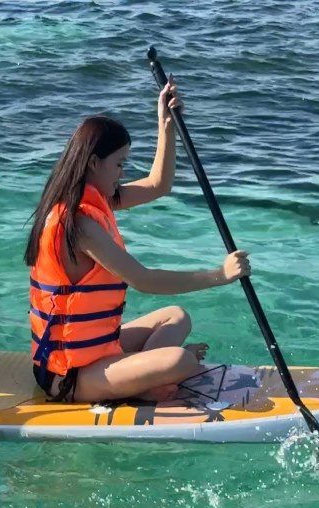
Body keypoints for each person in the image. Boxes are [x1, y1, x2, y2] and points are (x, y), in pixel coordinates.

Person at [23, 76, 251, 404]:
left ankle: (141, 377)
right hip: (68, 376)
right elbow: (144, 280)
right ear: (93, 163)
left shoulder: (96, 201)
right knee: (181, 360)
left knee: (176, 316)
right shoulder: (78, 224)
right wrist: (220, 275)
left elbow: (158, 185)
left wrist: (166, 124)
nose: (122, 173)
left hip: (100, 352)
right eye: (119, 164)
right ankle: (145, 384)